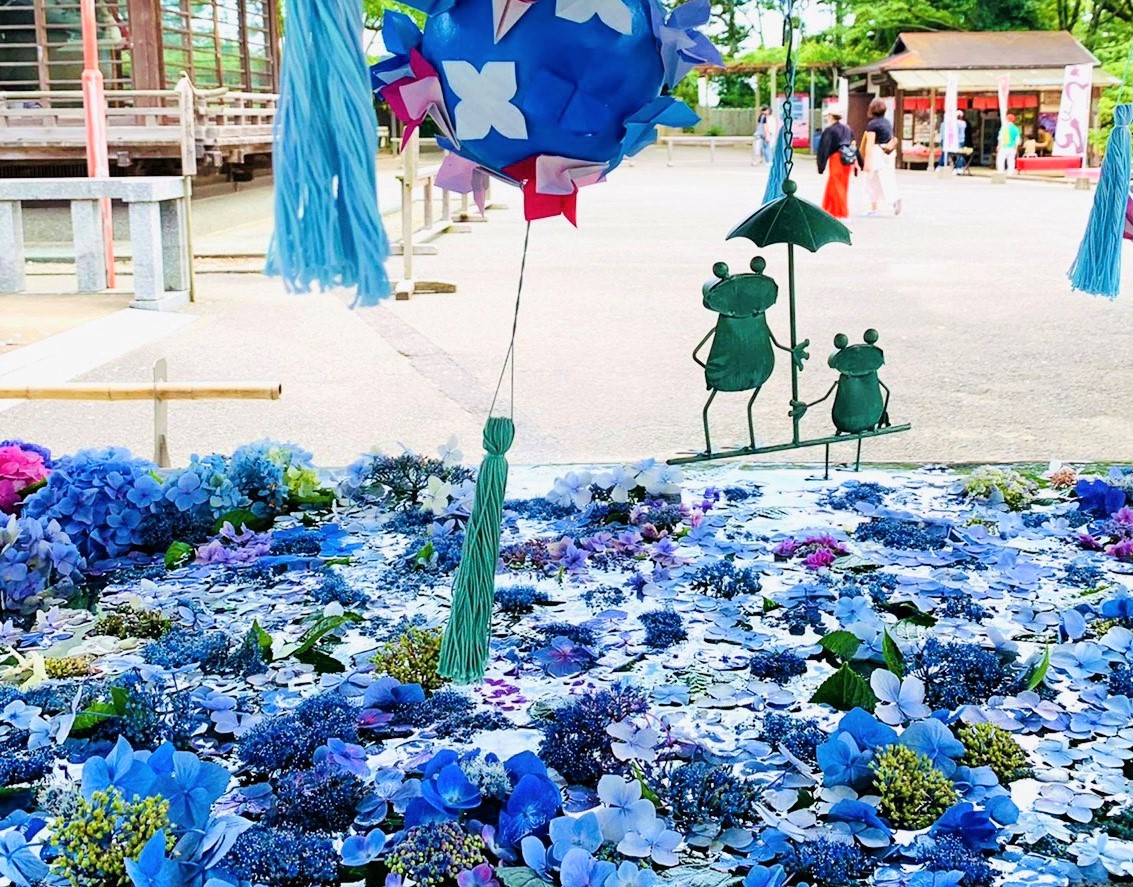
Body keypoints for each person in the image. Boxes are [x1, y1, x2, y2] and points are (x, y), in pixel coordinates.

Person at [861, 98, 901, 216]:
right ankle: (894, 198)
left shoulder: (872, 125)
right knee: (887, 178)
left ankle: (874, 208)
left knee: (870, 181)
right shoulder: (887, 122)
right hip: (888, 153)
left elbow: (869, 144)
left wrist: (867, 162)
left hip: (877, 153)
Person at [816, 104, 857, 219]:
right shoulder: (848, 129)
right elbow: (854, 144)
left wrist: (821, 165)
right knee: (842, 185)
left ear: (831, 116)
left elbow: (824, 148)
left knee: (836, 185)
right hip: (848, 159)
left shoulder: (829, 130)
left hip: (836, 158)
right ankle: (830, 210)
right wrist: (859, 161)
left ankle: (841, 212)